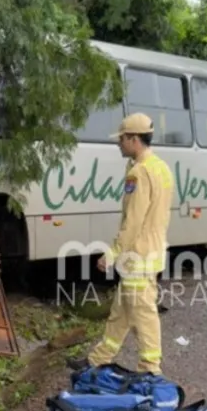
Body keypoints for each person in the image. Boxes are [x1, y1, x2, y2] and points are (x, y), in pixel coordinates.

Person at [68, 113, 174, 375]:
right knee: (122, 312)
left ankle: (151, 370)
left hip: (137, 256)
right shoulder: (161, 167)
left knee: (143, 314)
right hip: (150, 252)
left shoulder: (139, 173)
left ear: (135, 139)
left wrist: (112, 253)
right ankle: (99, 359)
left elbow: (133, 221)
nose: (119, 144)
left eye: (122, 139)